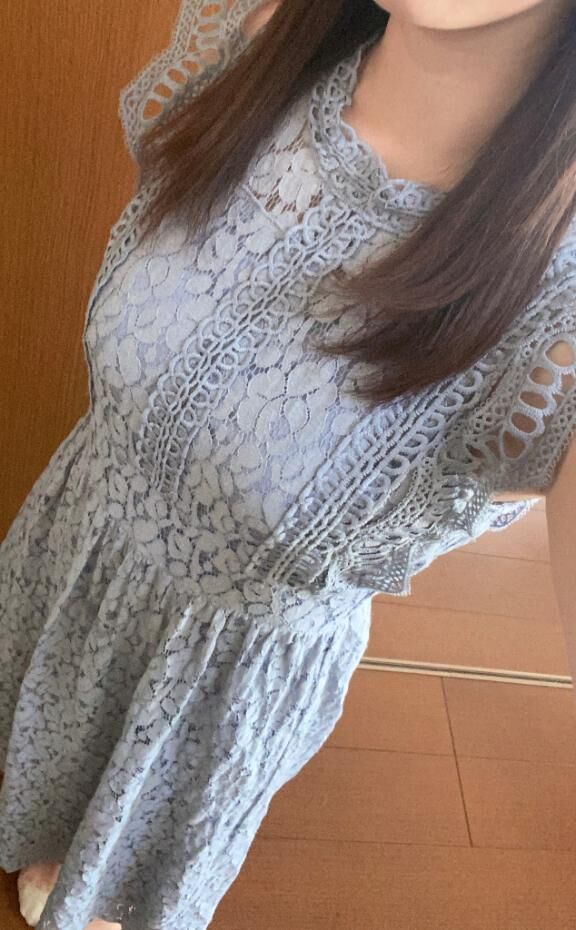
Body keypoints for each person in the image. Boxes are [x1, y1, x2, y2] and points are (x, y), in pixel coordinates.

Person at [1, 0, 576, 928]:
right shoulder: (257, 38)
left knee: (101, 875)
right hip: (65, 552)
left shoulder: (560, 304)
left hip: (207, 690)